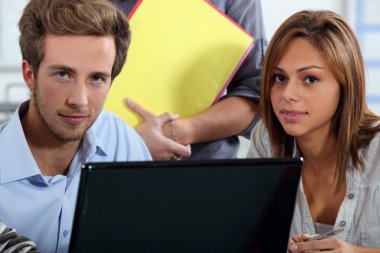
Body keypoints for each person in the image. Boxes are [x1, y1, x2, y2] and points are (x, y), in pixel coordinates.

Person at [0, 0, 151, 252]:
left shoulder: (122, 141)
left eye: (97, 78)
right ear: (29, 75)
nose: (79, 101)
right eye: (62, 74)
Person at [247, 9, 380, 252]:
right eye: (279, 78)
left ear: (346, 84)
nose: (287, 94)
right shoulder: (266, 140)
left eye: (309, 79)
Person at [113, 0, 267, 160]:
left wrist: (178, 131)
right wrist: (128, 142)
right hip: (107, 162)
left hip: (204, 168)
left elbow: (257, 95)